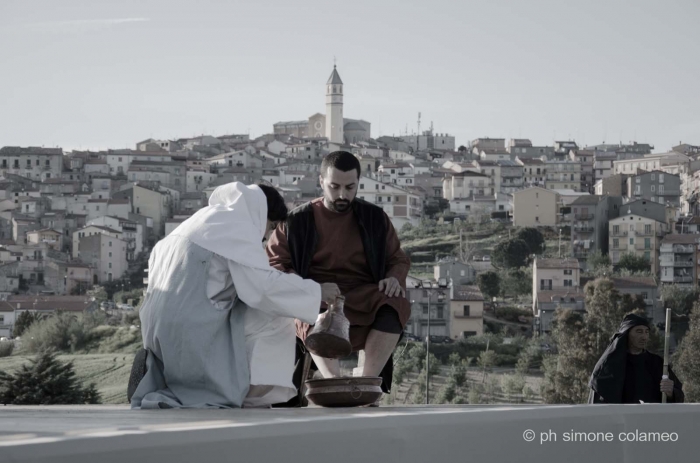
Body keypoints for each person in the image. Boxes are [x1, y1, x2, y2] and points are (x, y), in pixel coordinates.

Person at [129, 182, 341, 409]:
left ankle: (159, 381)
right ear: (262, 213)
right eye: (270, 227)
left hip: (156, 336)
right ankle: (249, 395)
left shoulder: (198, 222)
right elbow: (263, 289)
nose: (267, 236)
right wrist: (317, 291)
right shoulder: (235, 227)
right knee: (276, 315)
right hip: (188, 333)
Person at [266, 151, 411, 404]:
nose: (342, 194)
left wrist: (393, 278)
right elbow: (275, 264)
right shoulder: (296, 221)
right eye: (334, 186)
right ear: (321, 181)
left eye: (350, 187)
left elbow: (397, 258)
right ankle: (333, 382)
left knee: (395, 303)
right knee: (311, 309)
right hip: (317, 294)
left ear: (358, 183)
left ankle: (366, 385)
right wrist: (310, 289)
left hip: (363, 293)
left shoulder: (376, 219)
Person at [588, 313, 684, 404]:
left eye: (646, 332)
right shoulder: (609, 366)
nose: (644, 337)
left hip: (651, 419)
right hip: (620, 419)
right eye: (639, 332)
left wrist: (671, 393)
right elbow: (598, 400)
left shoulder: (657, 363)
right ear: (626, 334)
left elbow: (678, 396)